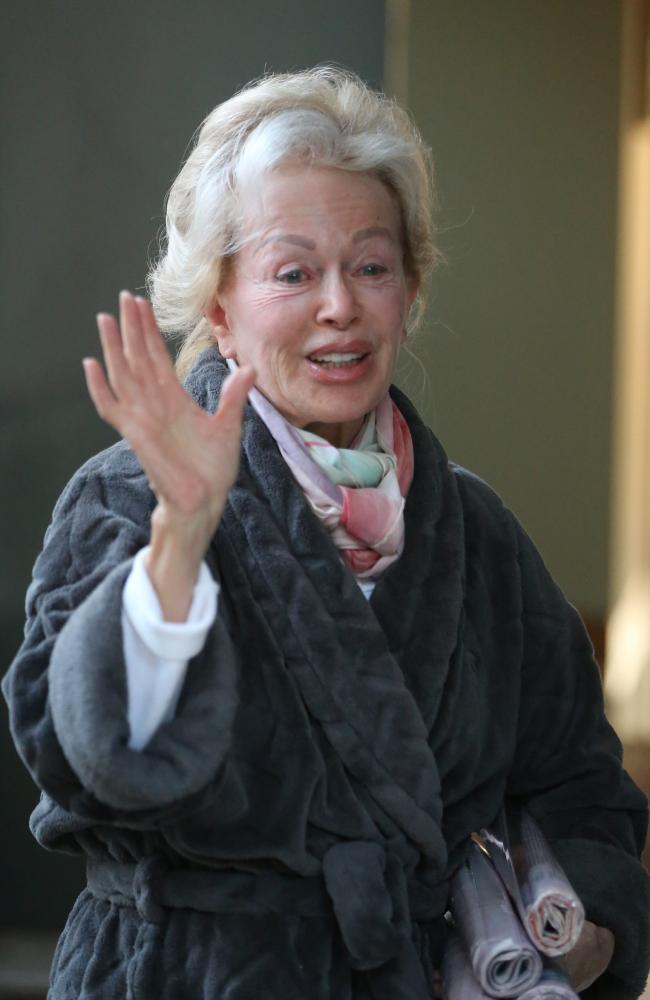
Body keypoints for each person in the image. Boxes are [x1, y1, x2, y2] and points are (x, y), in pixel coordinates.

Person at [3, 67, 648, 1000]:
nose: (339, 305)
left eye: (372, 266)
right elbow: (84, 763)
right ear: (219, 305)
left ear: (410, 292)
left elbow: (586, 791)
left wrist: (577, 937)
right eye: (293, 271)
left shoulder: (476, 531)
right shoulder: (121, 500)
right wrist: (183, 532)